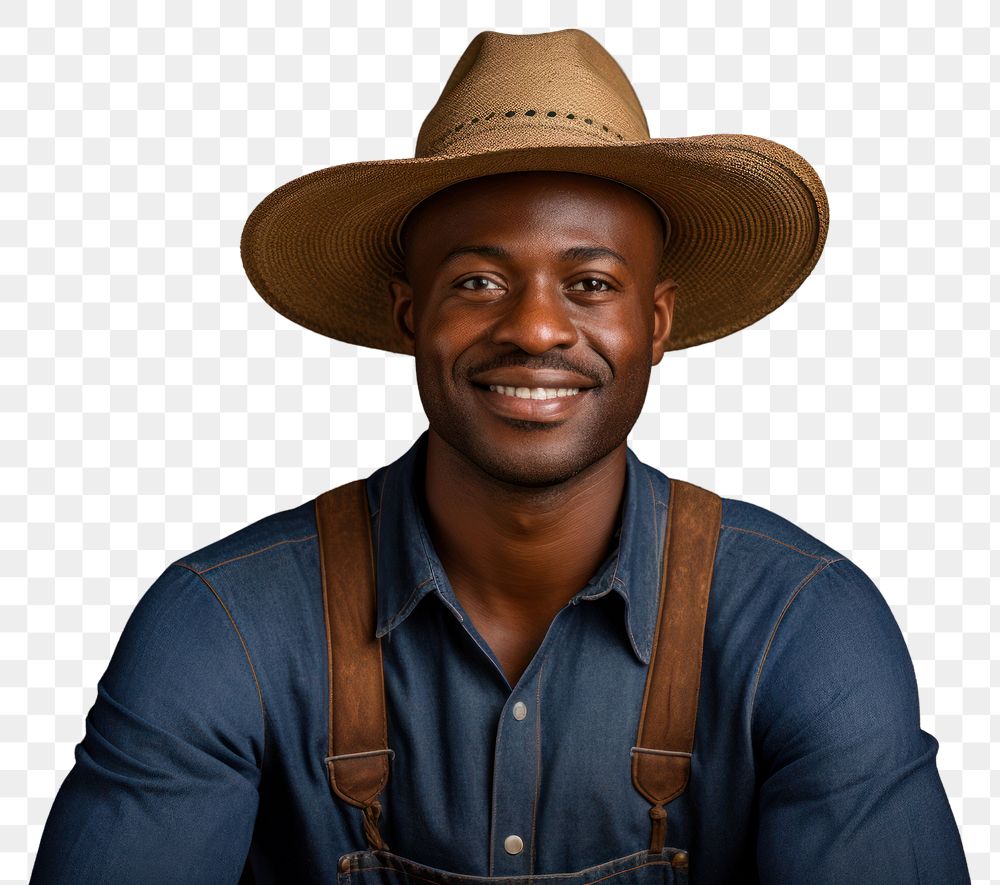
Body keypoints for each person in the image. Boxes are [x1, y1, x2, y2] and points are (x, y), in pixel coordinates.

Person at [31, 28, 969, 884]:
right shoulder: (222, 624)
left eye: (590, 281)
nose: (534, 327)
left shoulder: (802, 625)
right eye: (478, 280)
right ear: (412, 315)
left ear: (657, 320)